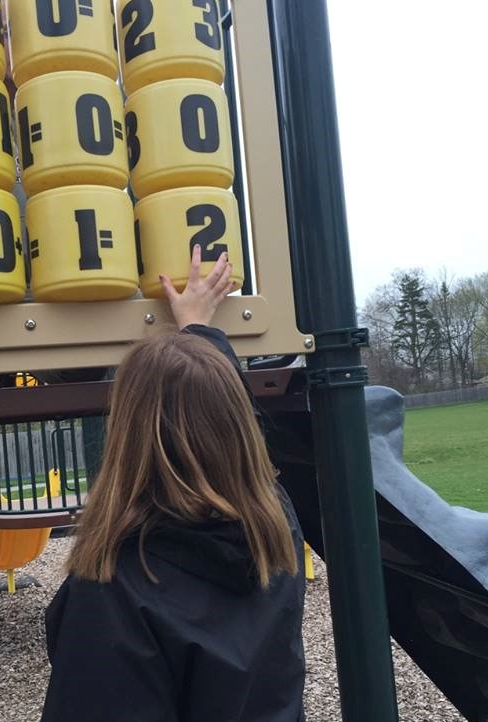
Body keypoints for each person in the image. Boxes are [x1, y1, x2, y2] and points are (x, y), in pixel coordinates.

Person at [40, 245, 306, 722]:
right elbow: (241, 430)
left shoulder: (113, 589)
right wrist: (201, 333)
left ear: (125, 435)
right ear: (237, 431)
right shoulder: (275, 527)